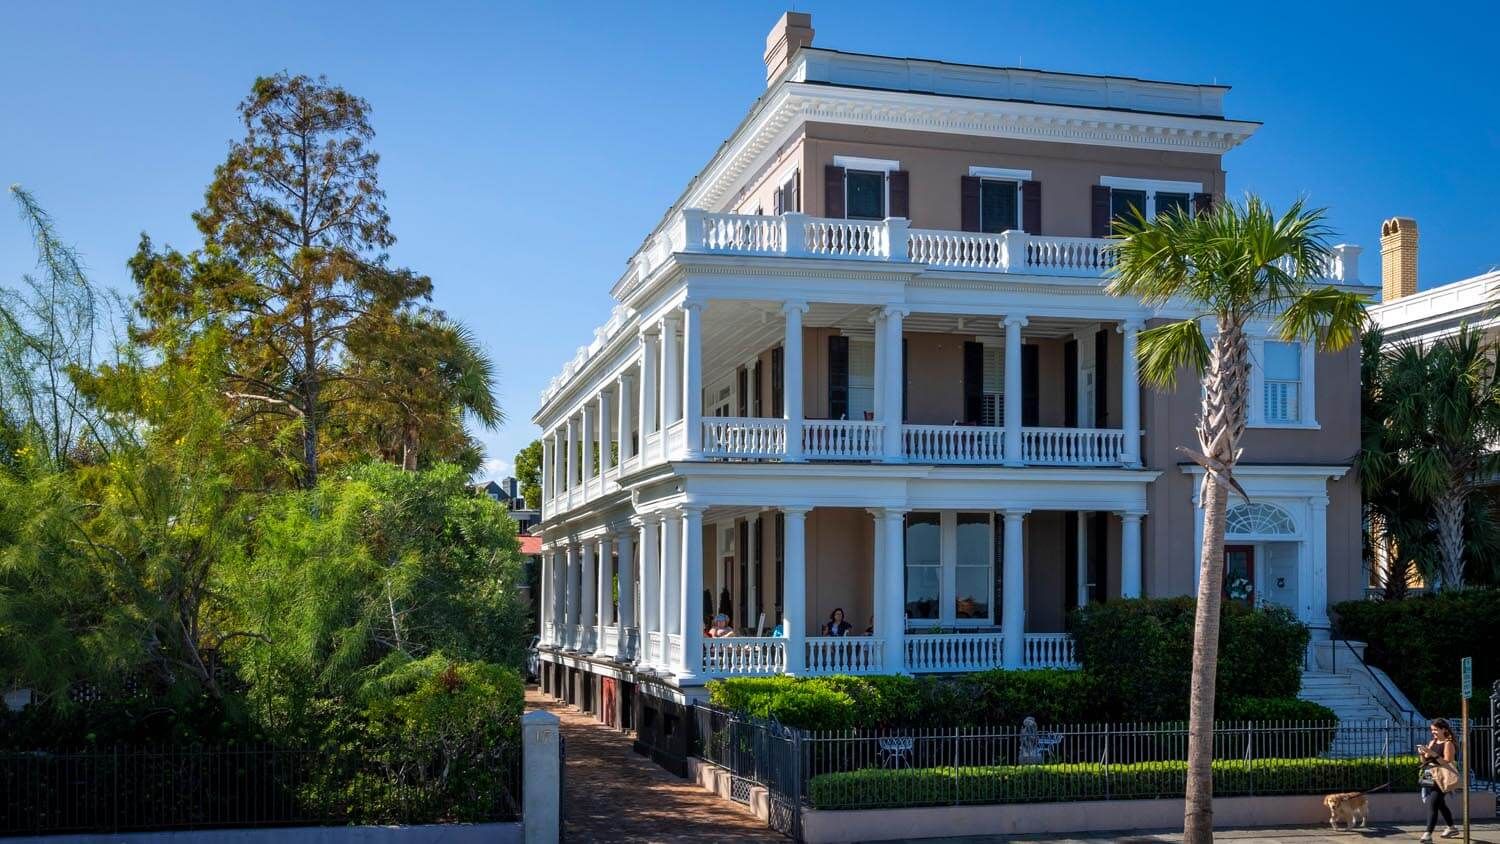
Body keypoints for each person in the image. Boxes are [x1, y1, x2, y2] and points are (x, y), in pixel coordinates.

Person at [1417, 718, 1461, 842]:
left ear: (1444, 729)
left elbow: (1447, 762)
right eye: (1432, 730)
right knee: (1440, 804)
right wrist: (1422, 753)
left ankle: (1427, 834)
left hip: (1442, 777)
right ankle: (1452, 827)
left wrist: (1432, 753)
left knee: (1433, 804)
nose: (1433, 732)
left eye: (1436, 730)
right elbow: (1425, 762)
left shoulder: (1448, 744)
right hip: (1430, 775)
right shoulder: (1432, 742)